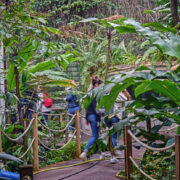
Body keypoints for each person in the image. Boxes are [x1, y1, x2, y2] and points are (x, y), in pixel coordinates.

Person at [80, 77, 103, 161]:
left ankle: (100, 153)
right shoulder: (96, 94)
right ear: (96, 85)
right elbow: (96, 108)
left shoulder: (89, 93)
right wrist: (98, 119)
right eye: (100, 85)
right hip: (94, 116)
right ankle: (85, 152)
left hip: (89, 116)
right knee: (95, 135)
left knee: (96, 135)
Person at [104, 91, 128, 163]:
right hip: (115, 117)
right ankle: (113, 156)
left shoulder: (106, 95)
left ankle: (115, 151)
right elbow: (125, 99)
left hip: (107, 118)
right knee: (114, 136)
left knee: (111, 136)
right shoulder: (119, 95)